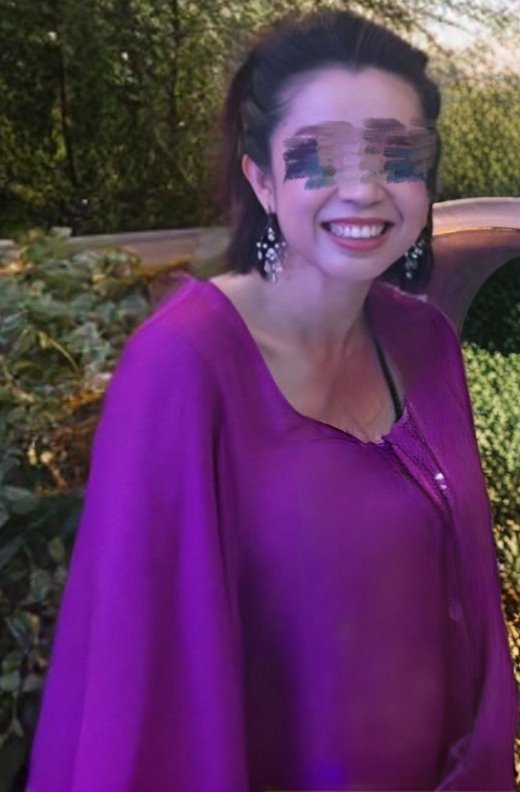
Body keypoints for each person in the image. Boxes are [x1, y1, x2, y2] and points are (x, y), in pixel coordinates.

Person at [28, 9, 518, 792]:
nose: (364, 187)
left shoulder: (426, 343)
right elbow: (143, 701)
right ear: (260, 178)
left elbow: (468, 612)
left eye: (397, 153)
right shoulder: (183, 367)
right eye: (319, 154)